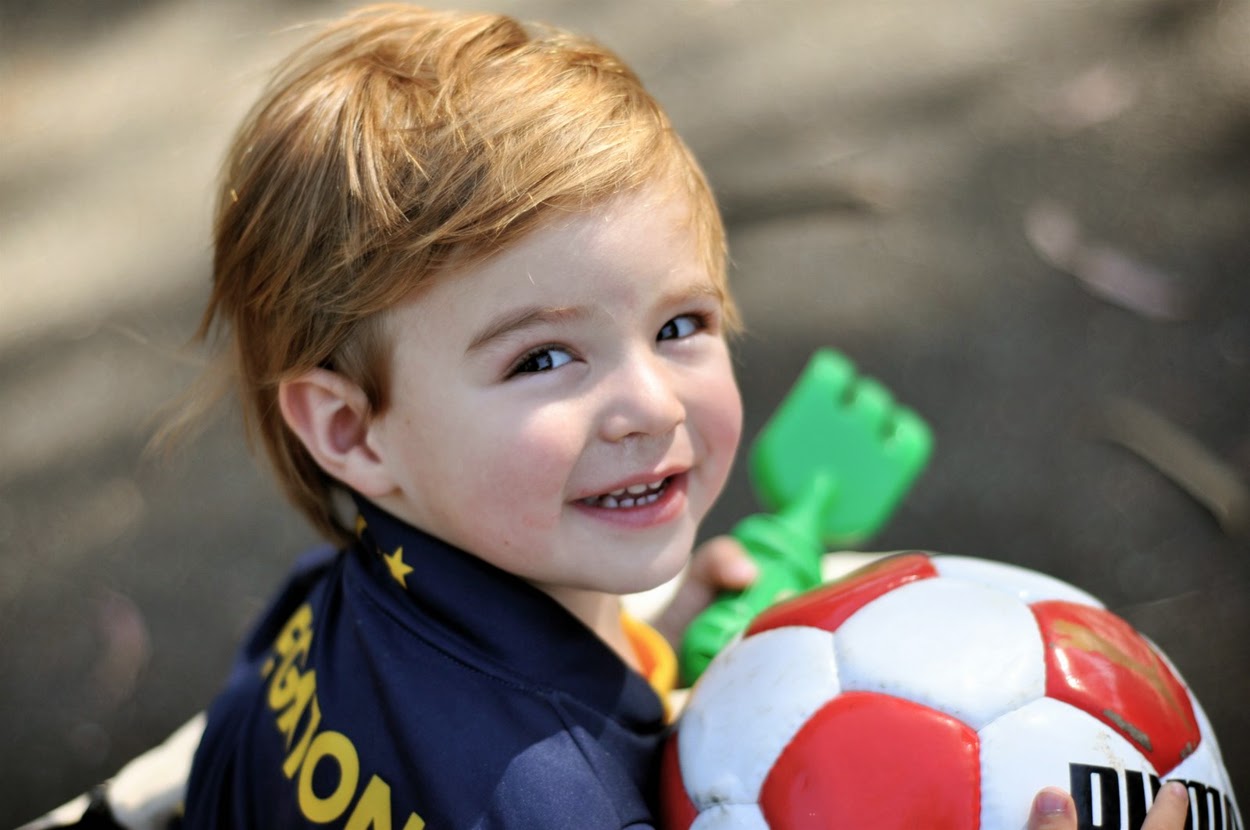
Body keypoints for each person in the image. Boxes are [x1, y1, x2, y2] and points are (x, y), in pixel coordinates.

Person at [27, 5, 1189, 829]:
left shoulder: (336, 602)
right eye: (542, 357)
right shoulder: (561, 803)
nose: (647, 400)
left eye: (680, 323)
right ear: (351, 431)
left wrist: (637, 645)